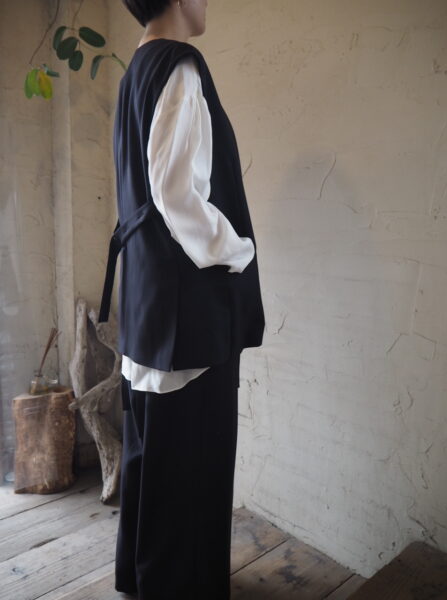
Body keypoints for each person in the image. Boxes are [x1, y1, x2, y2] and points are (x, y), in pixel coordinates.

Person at [99, 1, 266, 598]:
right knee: (191, 458)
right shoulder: (180, 66)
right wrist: (237, 249)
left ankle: (141, 576)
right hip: (187, 303)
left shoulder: (135, 72)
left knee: (153, 452)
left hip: (148, 296)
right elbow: (176, 196)